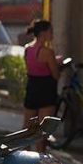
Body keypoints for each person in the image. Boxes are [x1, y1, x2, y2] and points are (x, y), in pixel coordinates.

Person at [22, 20, 60, 153]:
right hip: (46, 90)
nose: (52, 34)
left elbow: (30, 68)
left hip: (32, 87)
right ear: (44, 33)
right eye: (51, 31)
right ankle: (40, 161)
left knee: (27, 129)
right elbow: (55, 74)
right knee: (42, 131)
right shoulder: (48, 52)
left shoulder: (27, 49)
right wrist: (57, 63)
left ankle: (24, 157)